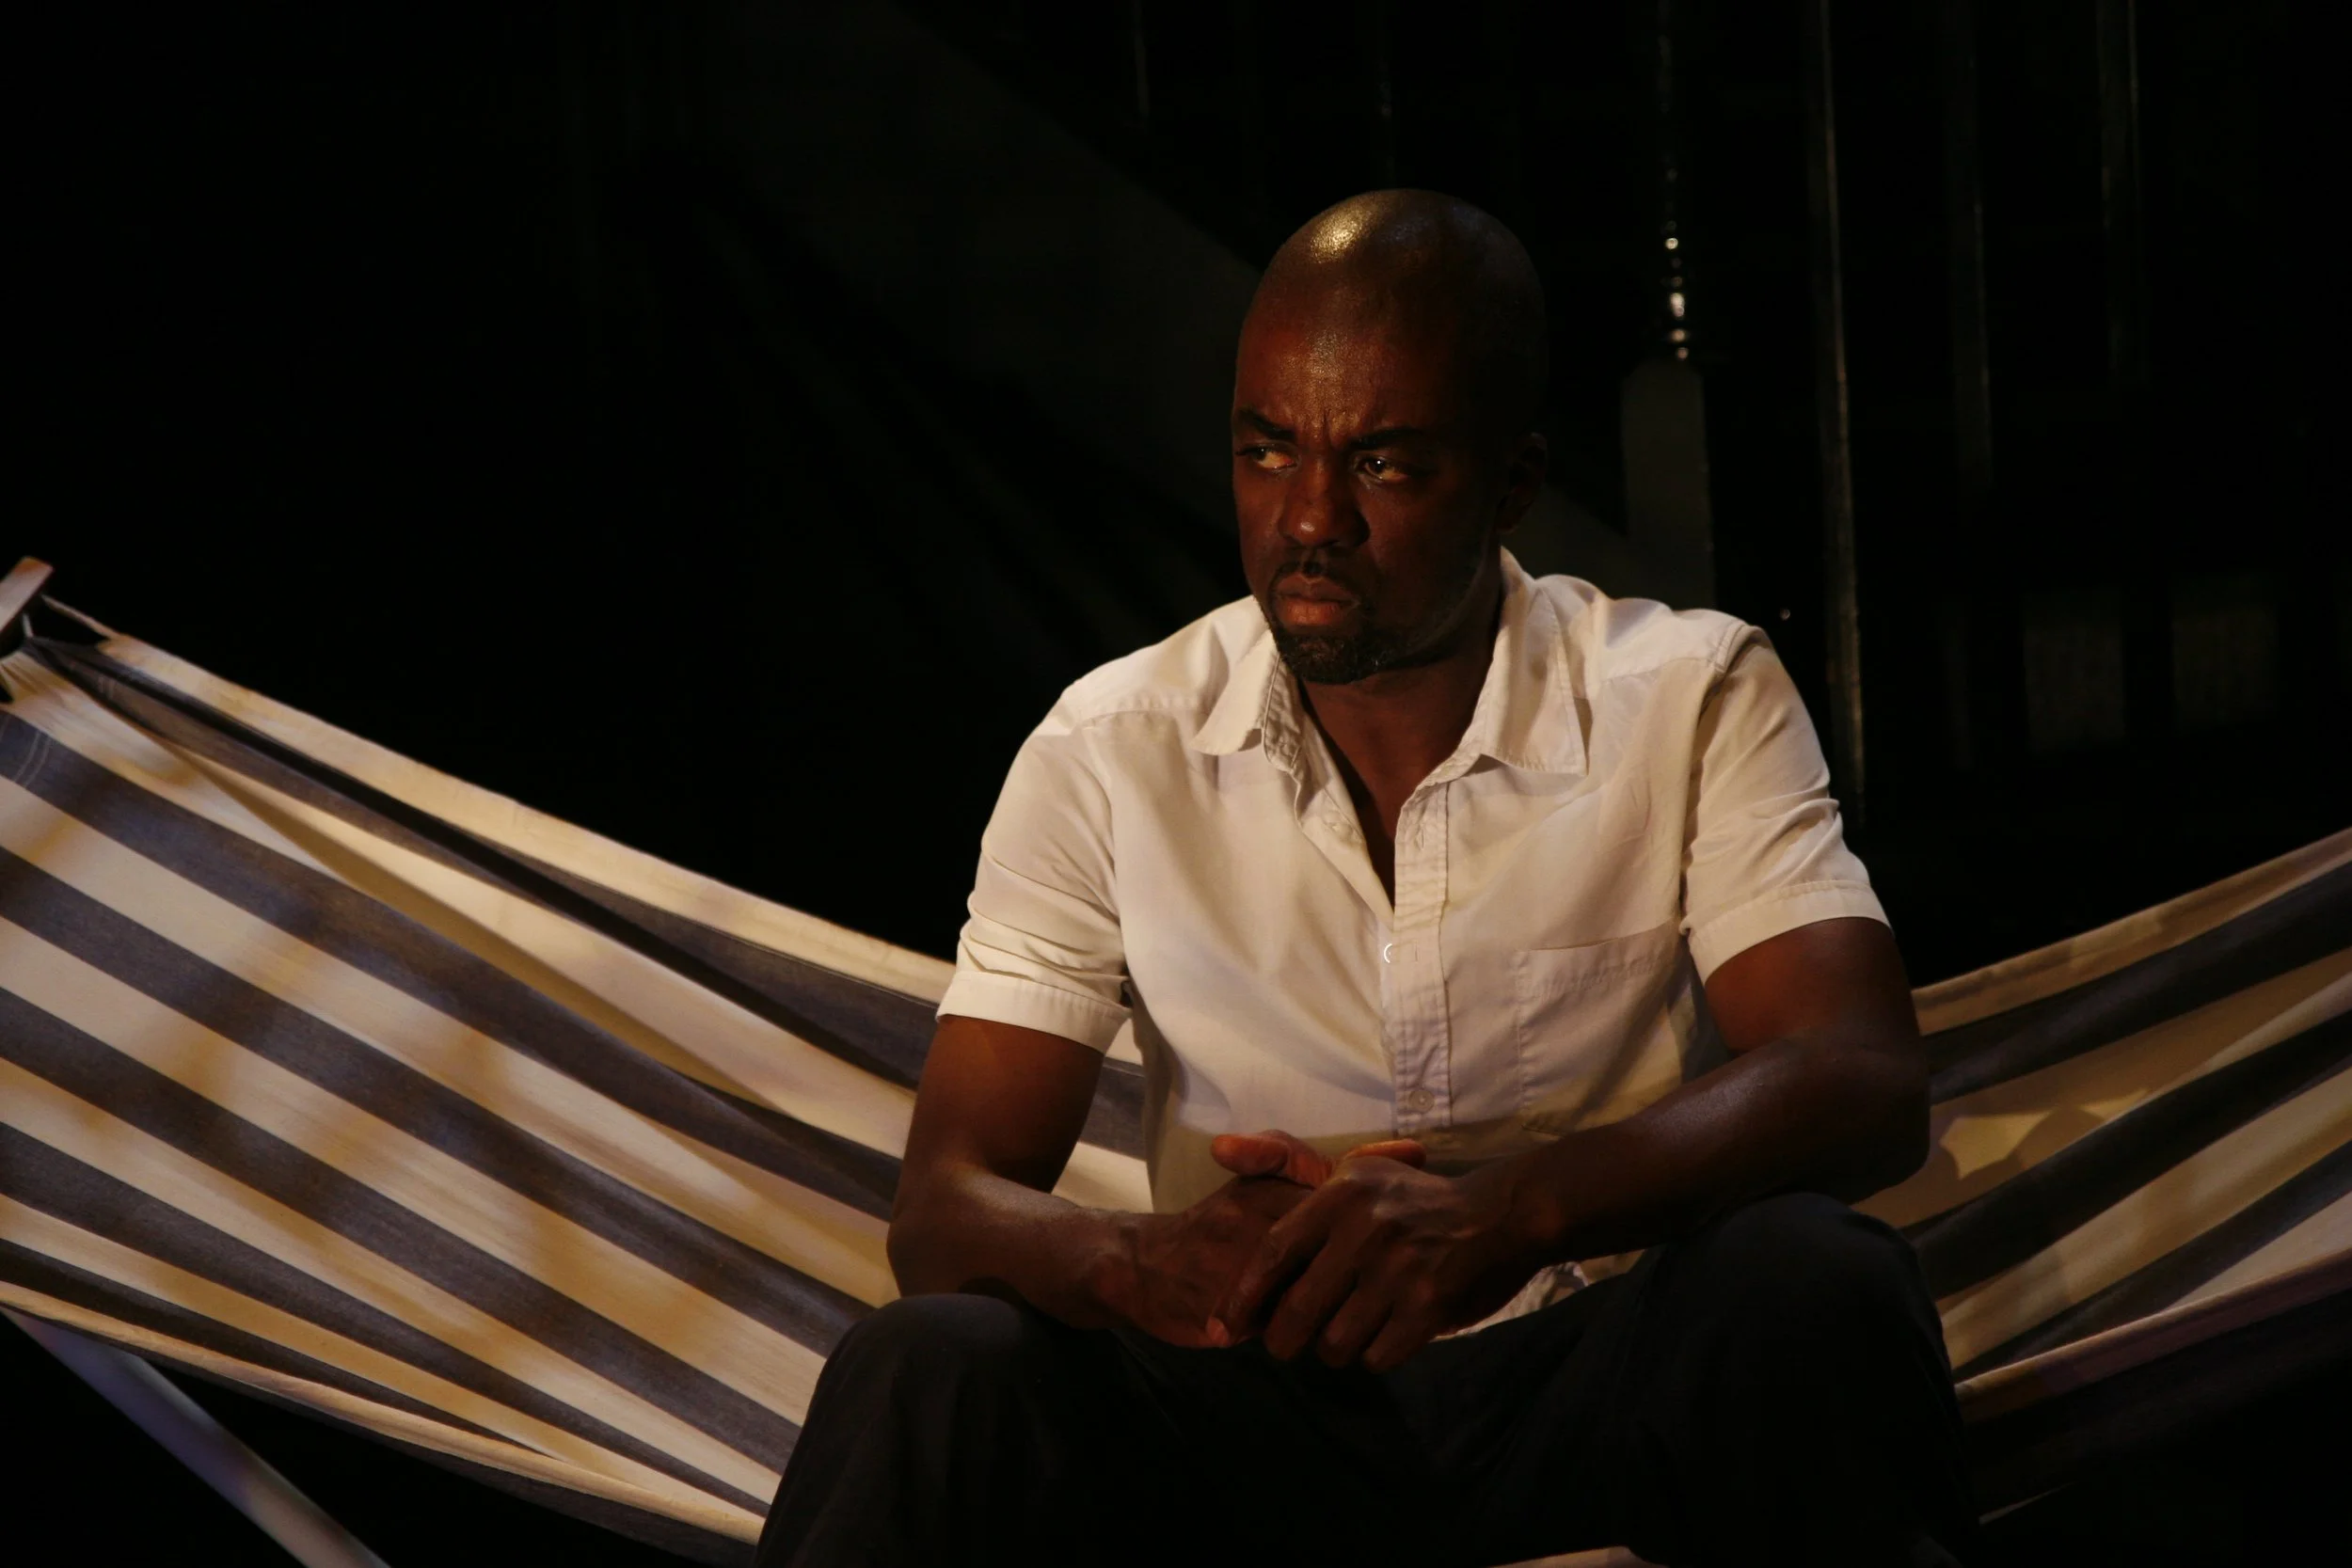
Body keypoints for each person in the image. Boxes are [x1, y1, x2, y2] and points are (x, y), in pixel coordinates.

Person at [756, 190, 1976, 1568]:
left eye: (1385, 465)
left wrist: (1510, 1207)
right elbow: (943, 1204)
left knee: (1813, 1282)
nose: (1309, 518)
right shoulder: (1109, 747)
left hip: (1583, 1384)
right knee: (932, 1361)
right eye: (1268, 451)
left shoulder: (1685, 693)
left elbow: (1863, 1073)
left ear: (1513, 483)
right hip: (1246, 1414)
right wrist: (1146, 1261)